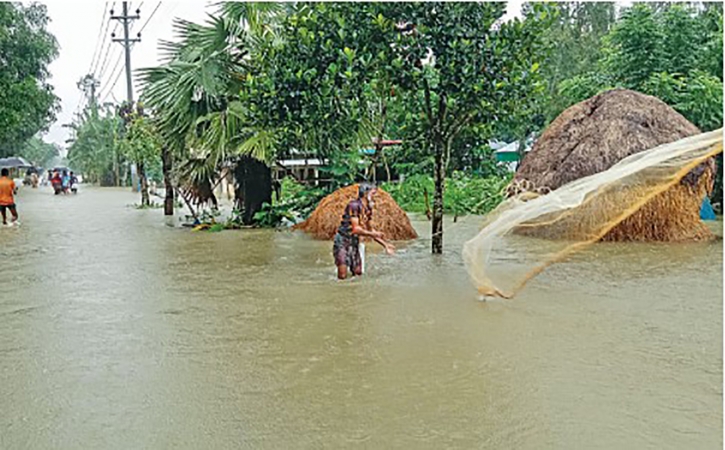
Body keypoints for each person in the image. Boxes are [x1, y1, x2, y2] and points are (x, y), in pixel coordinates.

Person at [333, 183, 395, 280]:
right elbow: (356, 229)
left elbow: (370, 229)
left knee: (358, 273)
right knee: (342, 276)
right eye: (373, 194)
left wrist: (385, 245)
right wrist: (373, 234)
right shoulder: (354, 206)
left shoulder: (368, 209)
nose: (376, 197)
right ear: (366, 194)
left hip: (354, 241)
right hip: (342, 241)